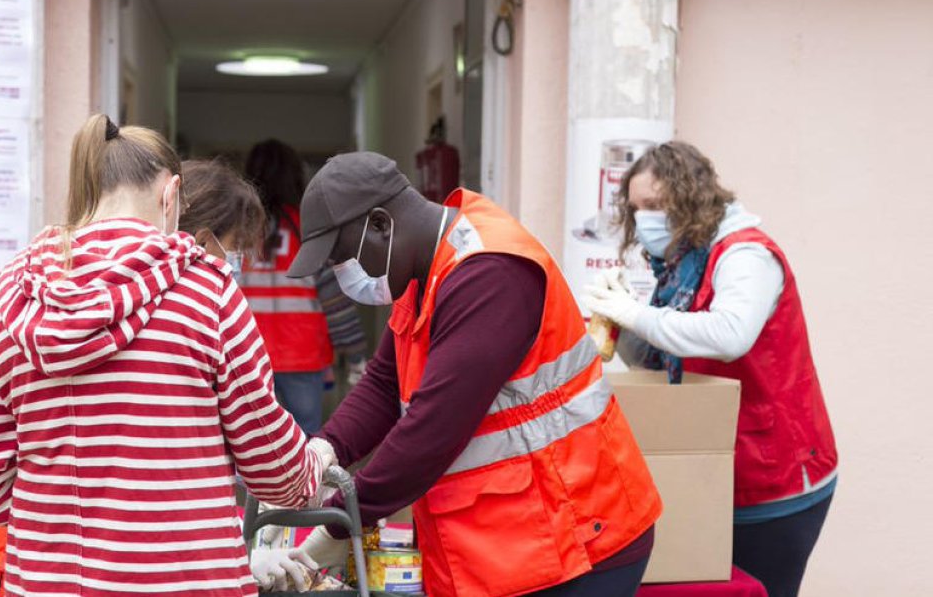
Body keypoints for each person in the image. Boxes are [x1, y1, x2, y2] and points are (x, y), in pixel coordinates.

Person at [0, 115, 335, 597]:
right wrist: (316, 458)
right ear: (171, 196)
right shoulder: (207, 293)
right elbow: (276, 473)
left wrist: (51, 511)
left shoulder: (4, 297)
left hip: (44, 584)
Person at [259, 152, 662, 597]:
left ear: (380, 225)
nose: (343, 275)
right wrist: (319, 454)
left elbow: (434, 429)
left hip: (580, 536)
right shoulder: (423, 271)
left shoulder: (490, 273)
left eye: (342, 258)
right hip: (512, 541)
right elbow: (382, 383)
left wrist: (337, 525)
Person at [584, 141, 838, 597]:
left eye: (657, 205)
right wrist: (624, 319)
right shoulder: (681, 263)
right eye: (638, 208)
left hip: (775, 476)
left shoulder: (746, 256)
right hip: (719, 467)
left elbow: (728, 335)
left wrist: (638, 315)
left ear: (691, 199)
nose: (646, 219)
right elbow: (661, 360)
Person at [242, 139, 367, 435]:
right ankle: (301, 484)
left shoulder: (238, 231)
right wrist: (357, 354)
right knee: (305, 437)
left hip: (246, 357)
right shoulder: (309, 231)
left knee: (251, 441)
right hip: (303, 355)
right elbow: (335, 302)